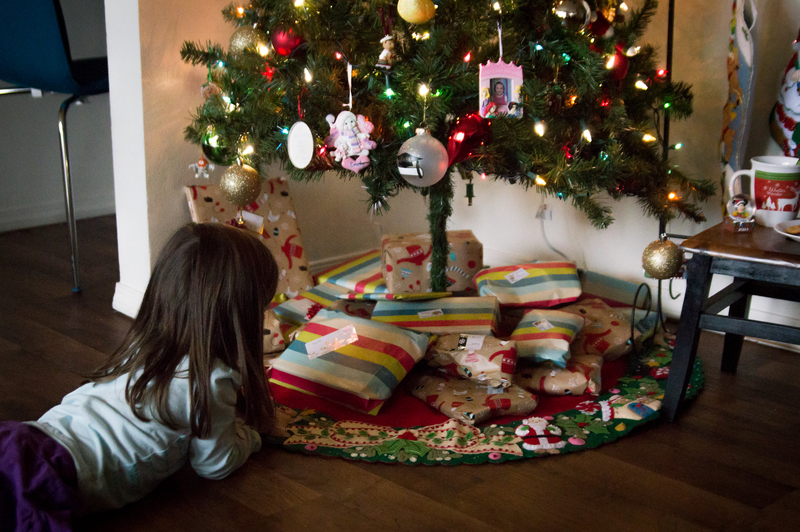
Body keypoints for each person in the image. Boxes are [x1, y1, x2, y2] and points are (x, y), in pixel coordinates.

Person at [0, 223, 279, 531]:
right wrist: (252, 436)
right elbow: (215, 463)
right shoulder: (211, 380)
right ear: (239, 315)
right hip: (49, 477)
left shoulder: (143, 345)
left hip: (26, 438)